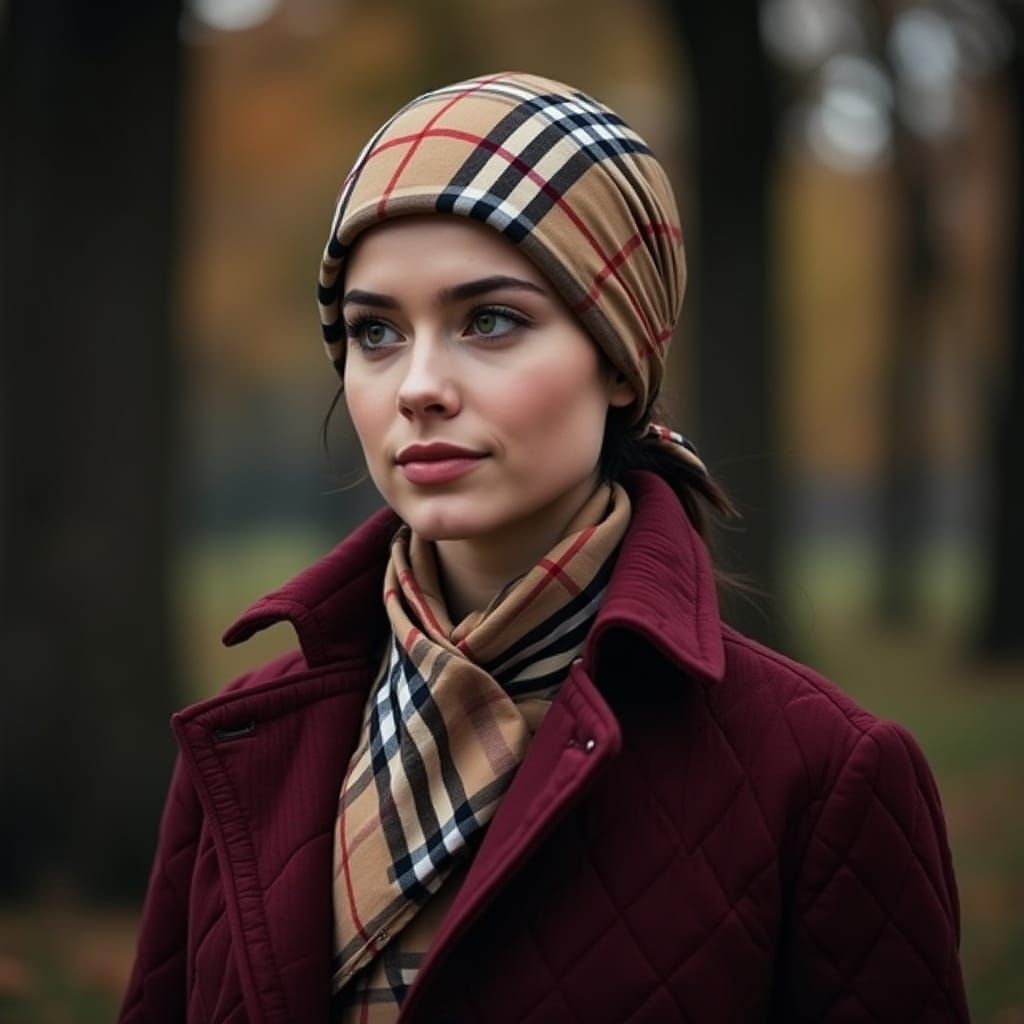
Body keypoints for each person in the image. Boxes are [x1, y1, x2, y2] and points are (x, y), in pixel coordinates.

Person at [119, 72, 969, 1023]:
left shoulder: (821, 776)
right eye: (376, 331)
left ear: (619, 359)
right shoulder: (241, 747)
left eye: (490, 320)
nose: (419, 386)